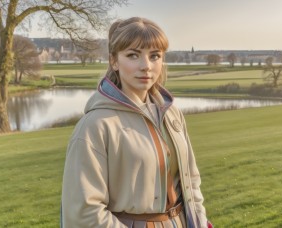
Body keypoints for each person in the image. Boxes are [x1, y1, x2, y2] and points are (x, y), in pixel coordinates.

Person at [61, 17, 211, 228]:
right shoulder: (95, 126)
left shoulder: (172, 115)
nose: (146, 66)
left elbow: (191, 181)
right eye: (133, 55)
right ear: (114, 60)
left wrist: (200, 222)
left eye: (155, 56)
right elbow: (84, 212)